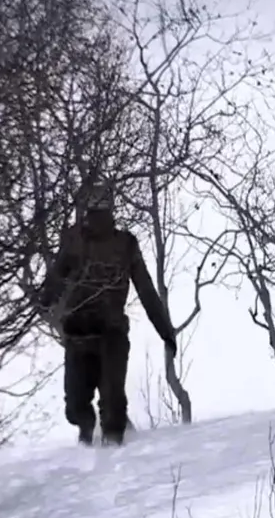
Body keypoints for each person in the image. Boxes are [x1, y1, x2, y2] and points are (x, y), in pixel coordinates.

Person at [40, 182, 177, 446]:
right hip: (78, 333)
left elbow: (146, 290)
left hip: (111, 333)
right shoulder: (74, 241)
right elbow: (56, 279)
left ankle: (112, 450)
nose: (97, 217)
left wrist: (165, 330)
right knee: (77, 407)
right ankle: (89, 440)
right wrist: (45, 300)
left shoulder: (125, 245)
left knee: (112, 405)